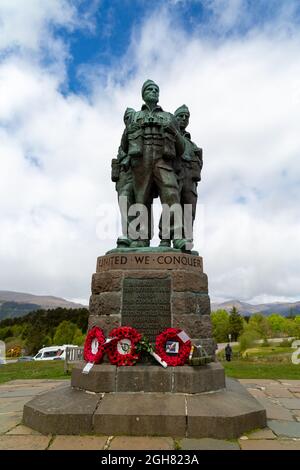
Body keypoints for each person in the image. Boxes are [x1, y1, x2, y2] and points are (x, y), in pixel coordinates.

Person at [118, 79, 189, 249]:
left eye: (156, 89)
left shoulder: (169, 117)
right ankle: (139, 238)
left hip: (163, 161)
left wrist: (174, 133)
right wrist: (126, 158)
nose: (153, 92)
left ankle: (176, 235)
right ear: (143, 94)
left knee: (172, 196)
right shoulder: (135, 116)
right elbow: (124, 145)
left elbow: (181, 147)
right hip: (141, 163)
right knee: (140, 200)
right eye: (149, 89)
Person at [174, 105, 203, 244]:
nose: (184, 119)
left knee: (189, 209)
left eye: (187, 117)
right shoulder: (170, 136)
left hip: (190, 178)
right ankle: (171, 238)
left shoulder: (192, 143)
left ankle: (187, 240)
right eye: (181, 116)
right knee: (173, 208)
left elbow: (199, 161)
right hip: (175, 174)